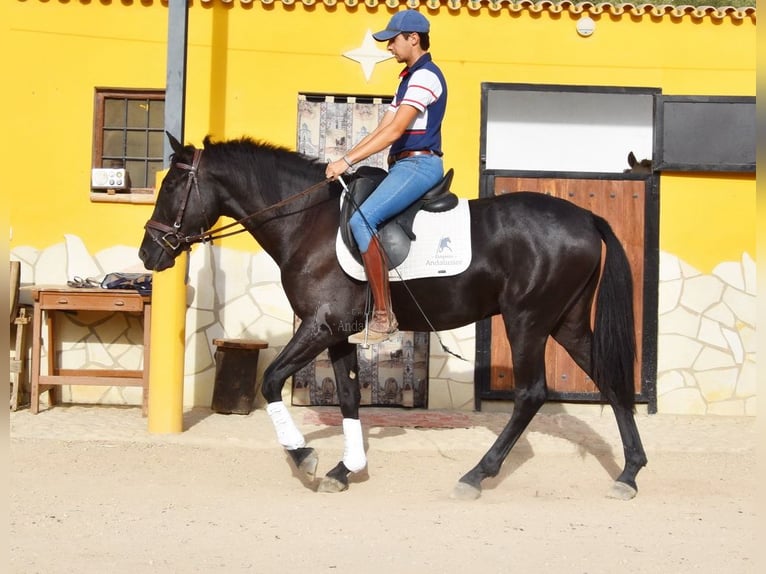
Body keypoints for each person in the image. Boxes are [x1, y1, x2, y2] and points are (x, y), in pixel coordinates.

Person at [325, 9, 448, 344]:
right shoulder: (408, 78)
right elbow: (382, 128)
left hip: (419, 165)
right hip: (403, 165)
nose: (389, 47)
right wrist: (344, 161)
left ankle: (383, 317)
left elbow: (394, 131)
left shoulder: (426, 77)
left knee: (362, 221)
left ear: (413, 39)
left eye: (392, 40)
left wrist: (346, 160)